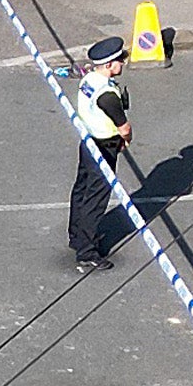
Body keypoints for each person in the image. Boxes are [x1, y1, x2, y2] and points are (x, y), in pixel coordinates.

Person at [68, 37, 134, 266]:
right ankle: (87, 252)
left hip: (87, 140)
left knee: (82, 188)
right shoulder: (107, 95)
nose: (123, 63)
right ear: (108, 65)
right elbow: (124, 127)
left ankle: (76, 236)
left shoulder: (89, 79)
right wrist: (126, 139)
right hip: (105, 147)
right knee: (96, 197)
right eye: (119, 60)